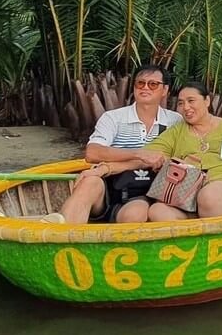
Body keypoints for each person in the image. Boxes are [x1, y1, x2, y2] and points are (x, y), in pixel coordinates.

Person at [58, 82, 222, 222]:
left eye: (191, 101)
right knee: (157, 211)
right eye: (181, 103)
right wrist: (103, 169)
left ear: (207, 101)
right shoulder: (176, 131)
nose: (186, 107)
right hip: (186, 195)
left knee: (210, 195)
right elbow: (143, 158)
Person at [51, 64, 182, 224]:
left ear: (165, 91)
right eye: (140, 83)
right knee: (89, 181)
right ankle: (61, 234)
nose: (145, 88)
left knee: (136, 213)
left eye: (153, 84)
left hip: (154, 191)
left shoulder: (176, 121)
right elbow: (92, 153)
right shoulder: (113, 118)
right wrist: (139, 153)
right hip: (111, 185)